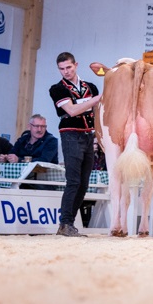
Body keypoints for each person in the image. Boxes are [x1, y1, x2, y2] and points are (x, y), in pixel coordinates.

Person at [48, 52, 101, 237]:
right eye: (62, 69)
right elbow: (71, 111)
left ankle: (68, 223)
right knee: (73, 181)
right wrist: (97, 99)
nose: (66, 71)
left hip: (88, 135)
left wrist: (98, 134)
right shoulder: (57, 89)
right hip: (70, 134)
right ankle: (65, 223)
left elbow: (97, 112)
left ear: (76, 65)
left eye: (68, 67)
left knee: (84, 183)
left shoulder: (90, 87)